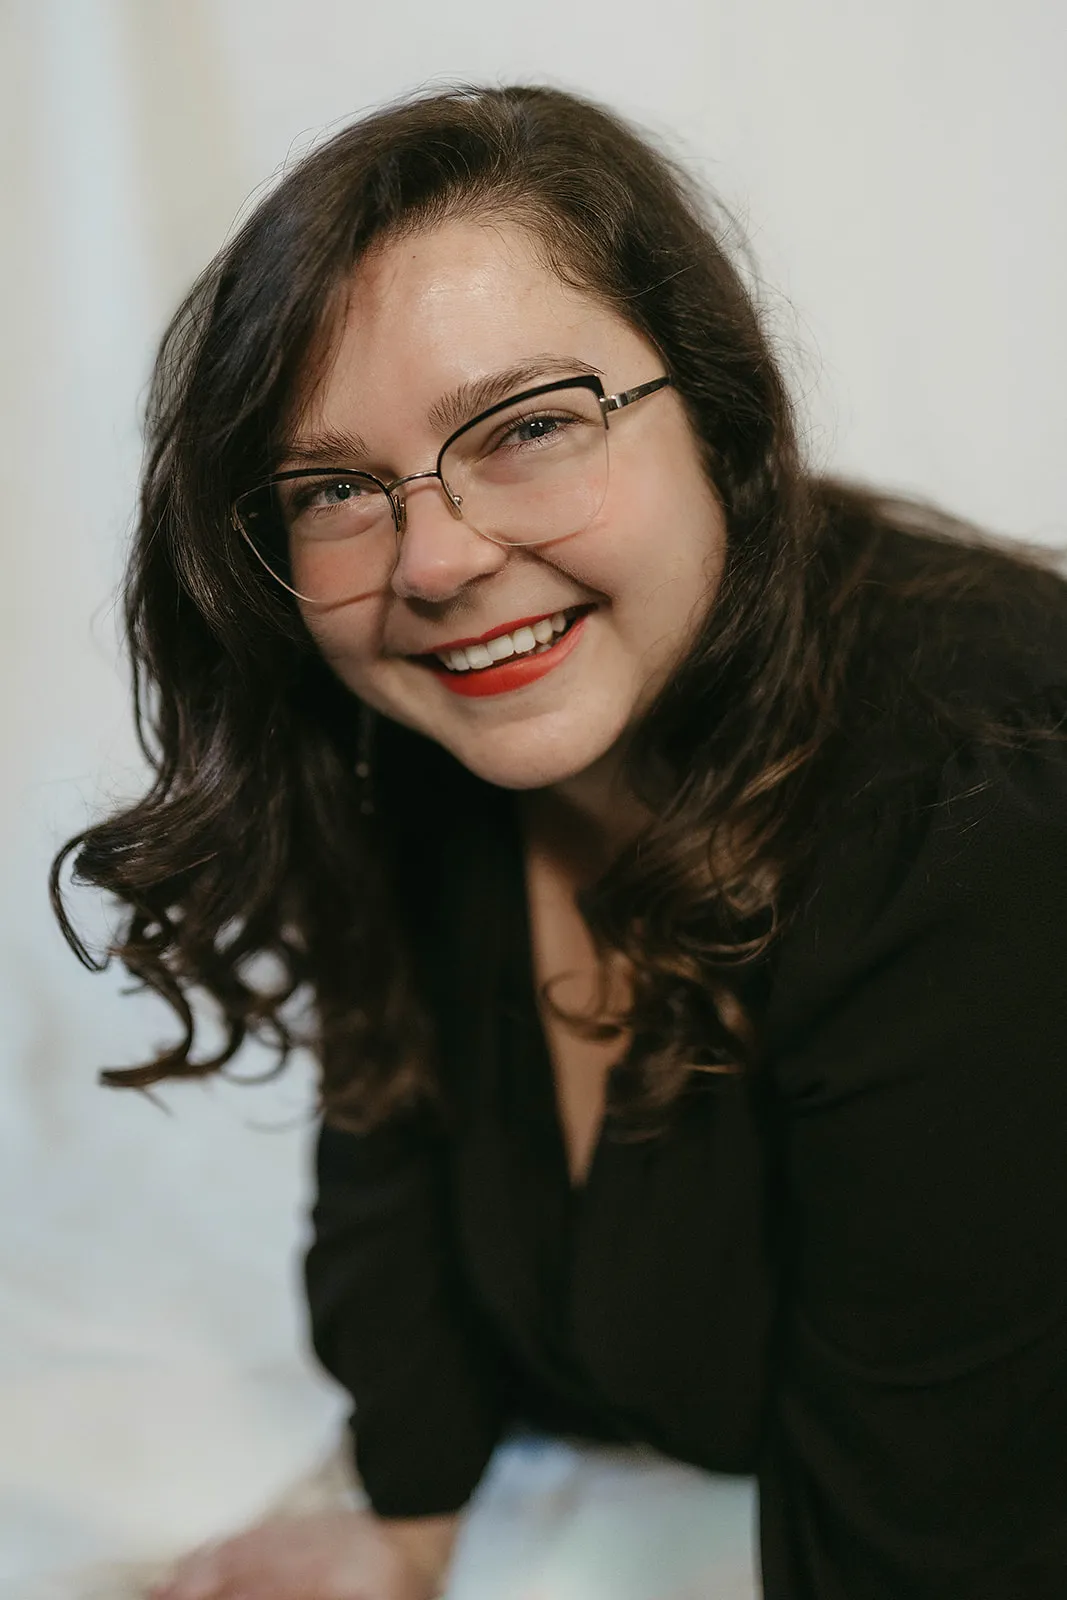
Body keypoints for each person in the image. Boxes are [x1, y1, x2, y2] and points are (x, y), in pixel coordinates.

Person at [52, 83, 1067, 1599]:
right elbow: (387, 1144)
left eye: (527, 425)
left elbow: (939, 1537)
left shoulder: (975, 787)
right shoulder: (409, 740)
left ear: (716, 413)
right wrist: (406, 1519)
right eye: (333, 488)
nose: (440, 558)